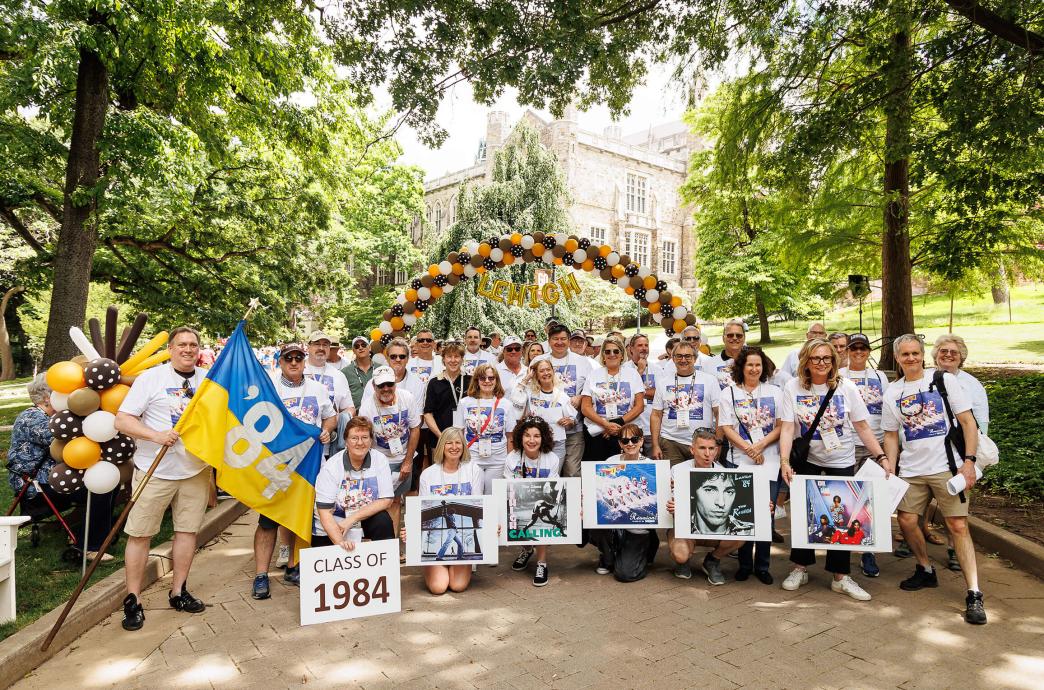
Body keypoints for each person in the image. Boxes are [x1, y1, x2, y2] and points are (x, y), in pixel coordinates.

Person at [882, 333, 986, 625]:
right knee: (906, 520)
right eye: (905, 355)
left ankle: (974, 592)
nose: (911, 358)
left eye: (915, 353)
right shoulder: (892, 392)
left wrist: (969, 462)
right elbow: (890, 435)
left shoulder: (942, 380)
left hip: (947, 466)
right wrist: (890, 465)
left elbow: (968, 422)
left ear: (922, 354)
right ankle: (925, 568)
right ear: (897, 358)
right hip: (912, 469)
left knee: (957, 525)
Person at [116, 326, 211, 631]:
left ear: (199, 349)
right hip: (154, 470)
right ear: (170, 349)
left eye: (193, 345)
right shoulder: (151, 379)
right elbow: (123, 419)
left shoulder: (208, 381)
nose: (188, 349)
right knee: (141, 534)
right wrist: (155, 435)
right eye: (181, 344)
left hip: (194, 470)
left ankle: (178, 591)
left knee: (187, 532)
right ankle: (133, 599)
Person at [778, 338, 887, 601]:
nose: (822, 363)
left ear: (834, 361)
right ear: (806, 360)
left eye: (827, 358)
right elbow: (788, 427)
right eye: (816, 358)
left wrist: (881, 456)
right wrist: (784, 461)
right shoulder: (792, 388)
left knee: (843, 517)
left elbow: (862, 426)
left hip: (841, 460)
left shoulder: (846, 388)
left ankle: (840, 576)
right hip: (808, 460)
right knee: (807, 513)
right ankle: (800, 567)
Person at [252, 343, 337, 596]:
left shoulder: (318, 389)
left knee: (305, 516)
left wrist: (327, 430)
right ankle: (260, 575)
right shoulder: (270, 389)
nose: (293, 363)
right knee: (268, 520)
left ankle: (295, 567)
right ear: (280, 362)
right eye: (288, 358)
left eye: (298, 358)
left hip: (309, 466)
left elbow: (330, 416)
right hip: (276, 466)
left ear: (304, 361)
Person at [8, 374, 116, 562]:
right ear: (48, 398)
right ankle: (88, 547)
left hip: (54, 480)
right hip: (37, 487)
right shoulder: (31, 418)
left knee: (106, 483)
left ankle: (96, 534)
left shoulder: (53, 418)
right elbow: (68, 444)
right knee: (99, 489)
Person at [717, 346, 783, 584]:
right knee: (742, 512)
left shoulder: (775, 392)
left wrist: (760, 445)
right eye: (749, 365)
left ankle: (763, 565)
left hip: (769, 459)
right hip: (739, 460)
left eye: (758, 365)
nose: (754, 369)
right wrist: (748, 448)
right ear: (741, 368)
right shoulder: (729, 393)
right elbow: (726, 427)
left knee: (767, 513)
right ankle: (744, 563)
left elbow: (781, 425)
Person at [928, 333, 990, 570]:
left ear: (961, 357)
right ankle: (918, 536)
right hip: (930, 451)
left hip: (960, 452)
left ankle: (955, 549)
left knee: (957, 502)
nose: (948, 355)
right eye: (943, 351)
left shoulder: (972, 385)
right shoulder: (925, 378)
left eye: (954, 352)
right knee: (923, 499)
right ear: (936, 354)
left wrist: (972, 460)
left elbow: (981, 424)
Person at [410, 428, 484, 594]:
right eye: (449, 442)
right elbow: (424, 509)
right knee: (438, 587)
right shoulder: (428, 474)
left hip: (455, 530)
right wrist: (412, 531)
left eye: (458, 442)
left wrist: (489, 525)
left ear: (464, 446)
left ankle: (459, 560)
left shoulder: (474, 470)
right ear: (442, 445)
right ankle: (436, 561)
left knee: (458, 586)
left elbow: (480, 505)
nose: (454, 446)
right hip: (442, 532)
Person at [839, 332, 889, 577]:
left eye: (863, 348)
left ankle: (869, 552)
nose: (858, 352)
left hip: (875, 444)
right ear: (847, 351)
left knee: (871, 500)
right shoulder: (839, 376)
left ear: (869, 351)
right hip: (847, 445)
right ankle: (848, 546)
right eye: (854, 348)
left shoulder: (879, 376)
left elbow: (888, 409)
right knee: (850, 500)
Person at [666, 430, 745, 585]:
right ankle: (683, 562)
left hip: (714, 529)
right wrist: (672, 505)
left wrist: (762, 506)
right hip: (685, 528)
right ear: (692, 449)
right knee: (681, 554)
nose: (707, 453)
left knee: (740, 537)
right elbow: (666, 501)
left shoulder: (724, 474)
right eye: (702, 448)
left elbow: (739, 504)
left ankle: (712, 561)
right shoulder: (678, 470)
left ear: (716, 450)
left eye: (711, 449)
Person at [357, 364, 420, 547]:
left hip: (404, 457)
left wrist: (408, 461)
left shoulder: (407, 398)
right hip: (380, 459)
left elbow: (415, 428)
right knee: (379, 502)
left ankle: (392, 546)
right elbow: (365, 437)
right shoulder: (367, 407)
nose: (386, 389)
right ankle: (381, 545)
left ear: (395, 383)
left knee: (395, 502)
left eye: (389, 384)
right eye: (381, 386)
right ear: (374, 387)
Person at [313, 417, 396, 553]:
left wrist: (352, 519)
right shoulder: (331, 467)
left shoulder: (380, 460)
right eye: (354, 438)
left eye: (364, 437)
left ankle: (386, 566)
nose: (360, 443)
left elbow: (386, 500)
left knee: (383, 520)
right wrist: (341, 543)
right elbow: (325, 513)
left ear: (371, 441)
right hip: (333, 523)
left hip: (362, 518)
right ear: (346, 441)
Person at [505, 417, 562, 587]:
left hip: (543, 503)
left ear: (543, 437)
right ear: (520, 438)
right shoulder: (512, 459)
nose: (531, 440)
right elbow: (508, 488)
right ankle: (527, 549)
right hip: (519, 500)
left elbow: (552, 488)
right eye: (527, 435)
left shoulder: (552, 459)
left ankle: (542, 563)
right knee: (521, 521)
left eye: (536, 436)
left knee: (541, 523)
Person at [591, 423, 653, 576]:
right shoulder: (610, 462)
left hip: (638, 526)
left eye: (634, 439)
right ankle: (608, 557)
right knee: (590, 519)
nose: (630, 444)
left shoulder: (651, 466)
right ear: (620, 443)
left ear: (641, 441)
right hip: (614, 521)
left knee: (625, 574)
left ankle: (642, 553)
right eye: (625, 441)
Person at [650, 341, 720, 465]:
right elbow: (656, 414)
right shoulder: (663, 382)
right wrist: (655, 445)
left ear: (695, 358)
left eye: (688, 356)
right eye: (679, 356)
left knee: (699, 481)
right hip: (671, 441)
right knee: (674, 481)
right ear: (673, 358)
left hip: (703, 443)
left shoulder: (710, 380)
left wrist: (717, 443)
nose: (683, 360)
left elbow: (719, 413)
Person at [453, 364, 518, 493]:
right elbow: (458, 432)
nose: (487, 381)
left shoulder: (506, 404)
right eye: (482, 378)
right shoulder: (464, 403)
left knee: (493, 496)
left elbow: (510, 436)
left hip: (498, 460)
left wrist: (509, 461)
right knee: (473, 494)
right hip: (472, 457)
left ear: (496, 381)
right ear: (476, 381)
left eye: (491, 378)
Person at [581, 337, 646, 463]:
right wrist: (605, 424)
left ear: (622, 355)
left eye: (616, 351)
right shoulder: (593, 375)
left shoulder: (633, 374)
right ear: (603, 355)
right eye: (608, 352)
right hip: (598, 431)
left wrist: (617, 424)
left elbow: (639, 406)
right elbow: (585, 407)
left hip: (626, 433)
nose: (612, 355)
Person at [546, 323, 592, 477]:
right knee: (550, 474)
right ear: (549, 341)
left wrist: (582, 396)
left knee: (573, 474)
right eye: (555, 339)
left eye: (563, 338)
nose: (559, 342)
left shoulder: (582, 362)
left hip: (574, 429)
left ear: (569, 340)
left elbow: (592, 389)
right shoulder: (540, 361)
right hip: (548, 431)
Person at [511, 357, 576, 460]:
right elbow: (515, 398)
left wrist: (569, 422)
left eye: (548, 369)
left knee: (553, 475)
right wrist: (527, 377)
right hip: (534, 443)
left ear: (553, 371)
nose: (546, 373)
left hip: (557, 444)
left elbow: (572, 421)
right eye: (541, 371)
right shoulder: (530, 393)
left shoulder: (562, 396)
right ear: (536, 374)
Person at [304, 330, 354, 457]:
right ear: (308, 346)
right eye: (317, 344)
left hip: (329, 447)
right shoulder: (297, 370)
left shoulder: (338, 375)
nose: (321, 348)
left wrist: (339, 419)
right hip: (300, 445)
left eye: (325, 345)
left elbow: (349, 407)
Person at [423, 341, 471, 441]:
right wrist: (441, 436)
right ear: (444, 359)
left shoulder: (471, 381)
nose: (453, 360)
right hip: (439, 438)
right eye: (449, 356)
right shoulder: (434, 382)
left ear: (462, 359)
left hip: (467, 439)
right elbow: (427, 413)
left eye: (457, 356)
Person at [623, 334, 658, 458]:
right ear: (631, 348)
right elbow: (626, 395)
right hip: (630, 428)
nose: (644, 348)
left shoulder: (658, 369)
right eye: (640, 345)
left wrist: (640, 393)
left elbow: (660, 394)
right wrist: (640, 371)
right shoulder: (623, 369)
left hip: (651, 428)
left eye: (646, 345)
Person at [701, 319, 747, 389]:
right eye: (730, 335)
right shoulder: (709, 364)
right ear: (723, 338)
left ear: (744, 338)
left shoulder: (754, 362)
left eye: (739, 335)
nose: (734, 338)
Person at [343, 336, 375, 410]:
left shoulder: (380, 368)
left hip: (379, 415)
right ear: (353, 350)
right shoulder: (345, 372)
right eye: (357, 346)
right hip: (357, 417)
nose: (360, 348)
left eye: (363, 345)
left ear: (369, 347)